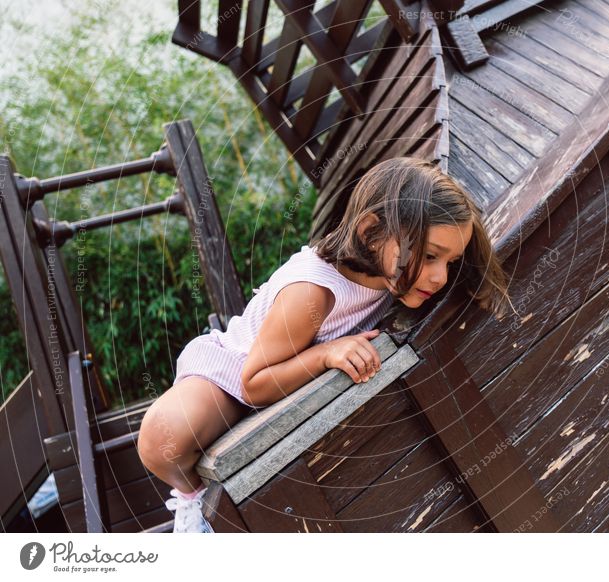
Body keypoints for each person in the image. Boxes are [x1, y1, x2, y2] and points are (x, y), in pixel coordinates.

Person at [137, 156, 511, 532]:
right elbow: (254, 382)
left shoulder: (390, 274)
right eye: (430, 256)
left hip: (281, 375)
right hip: (234, 372)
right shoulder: (313, 293)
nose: (440, 276)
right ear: (370, 232)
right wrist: (325, 353)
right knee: (163, 437)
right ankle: (193, 503)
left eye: (451, 261)